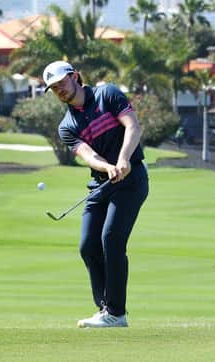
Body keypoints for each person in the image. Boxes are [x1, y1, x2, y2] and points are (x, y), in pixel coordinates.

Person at [43, 60, 149, 328]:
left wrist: (123, 159)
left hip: (132, 179)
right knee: (88, 245)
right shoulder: (67, 126)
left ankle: (116, 313)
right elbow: (87, 155)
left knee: (111, 240)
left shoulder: (108, 94)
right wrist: (108, 167)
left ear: (75, 76)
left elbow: (132, 126)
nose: (60, 91)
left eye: (61, 84)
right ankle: (105, 310)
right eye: (54, 89)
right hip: (101, 183)